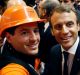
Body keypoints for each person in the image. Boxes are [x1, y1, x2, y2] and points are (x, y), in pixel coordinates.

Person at [0, 5, 45, 75]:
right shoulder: (12, 71)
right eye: (24, 33)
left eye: (35, 31)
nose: (34, 38)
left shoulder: (26, 54)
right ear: (9, 38)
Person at [43, 5, 80, 75]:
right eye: (58, 26)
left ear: (78, 26)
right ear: (52, 31)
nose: (65, 31)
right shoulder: (54, 51)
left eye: (69, 24)